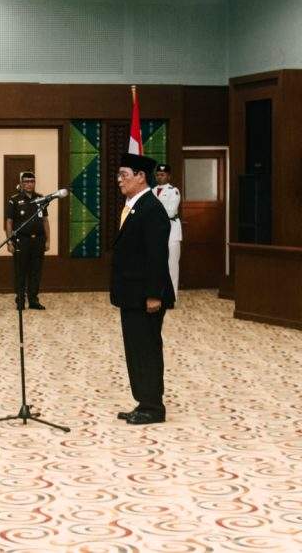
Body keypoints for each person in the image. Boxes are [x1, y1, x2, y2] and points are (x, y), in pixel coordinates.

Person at [112, 153, 175, 425]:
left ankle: (153, 407)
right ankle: (143, 401)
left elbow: (156, 256)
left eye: (124, 175)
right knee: (136, 349)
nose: (119, 181)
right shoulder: (134, 205)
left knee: (146, 349)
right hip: (132, 294)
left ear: (140, 176)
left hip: (145, 296)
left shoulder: (152, 209)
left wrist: (153, 294)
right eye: (118, 176)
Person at [6, 171, 48, 310]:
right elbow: (9, 222)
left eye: (32, 181)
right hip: (21, 241)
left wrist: (48, 240)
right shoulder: (15, 199)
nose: (29, 184)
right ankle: (20, 300)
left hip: (38, 240)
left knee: (36, 271)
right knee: (20, 271)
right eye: (26, 182)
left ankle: (33, 300)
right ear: (22, 184)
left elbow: (45, 220)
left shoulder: (41, 198)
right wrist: (9, 241)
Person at [153, 164, 182, 300]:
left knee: (172, 265)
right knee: (157, 265)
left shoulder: (173, 191)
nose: (160, 177)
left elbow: (170, 212)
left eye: (163, 174)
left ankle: (172, 297)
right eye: (158, 174)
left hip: (172, 232)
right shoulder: (151, 191)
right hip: (156, 232)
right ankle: (159, 295)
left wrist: (153, 212)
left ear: (168, 176)